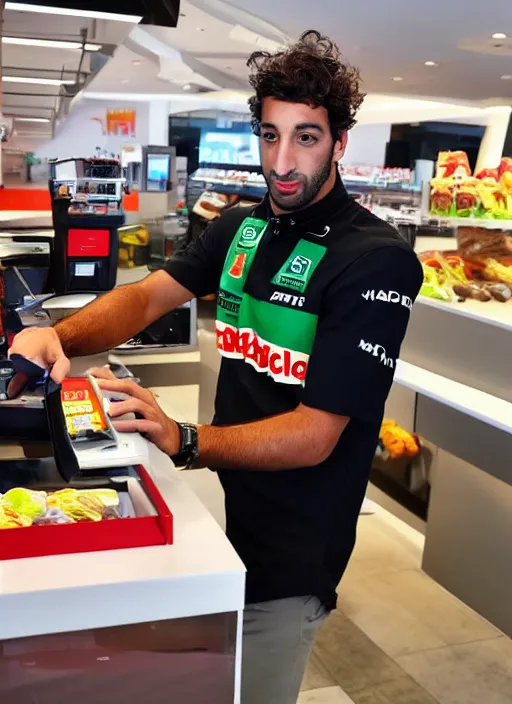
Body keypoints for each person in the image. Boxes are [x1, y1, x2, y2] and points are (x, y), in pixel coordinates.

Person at [10, 30, 423, 704]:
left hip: (298, 553)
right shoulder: (240, 227)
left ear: (340, 143)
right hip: (239, 514)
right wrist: (59, 337)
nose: (282, 161)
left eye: (307, 138)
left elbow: (317, 432)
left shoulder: (376, 260)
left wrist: (186, 437)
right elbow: (147, 296)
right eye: (270, 135)